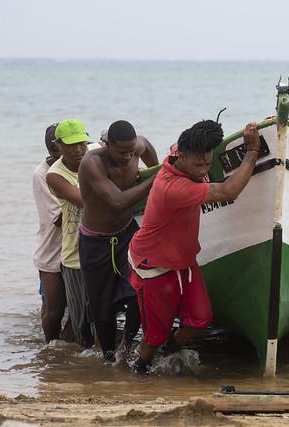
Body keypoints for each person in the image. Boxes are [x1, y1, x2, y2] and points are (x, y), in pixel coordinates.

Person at [128, 120, 261, 374]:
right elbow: (229, 191)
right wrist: (252, 152)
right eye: (198, 165)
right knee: (153, 337)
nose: (203, 170)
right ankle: (140, 370)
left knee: (200, 318)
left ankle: (170, 350)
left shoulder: (183, 150)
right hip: (154, 266)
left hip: (184, 261)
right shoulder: (174, 187)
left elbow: (202, 135)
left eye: (208, 164)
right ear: (181, 156)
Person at [78, 120, 159, 363]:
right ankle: (108, 357)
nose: (127, 157)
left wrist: (155, 170)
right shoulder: (92, 163)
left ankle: (127, 344)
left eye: (130, 151)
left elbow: (150, 155)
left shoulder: (139, 145)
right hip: (95, 241)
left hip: (127, 233)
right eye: (121, 151)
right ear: (107, 144)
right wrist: (152, 182)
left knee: (138, 292)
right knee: (101, 308)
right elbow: (118, 201)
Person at [46, 119, 94, 348]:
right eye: (71, 145)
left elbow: (139, 144)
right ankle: (83, 366)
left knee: (104, 309)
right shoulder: (55, 175)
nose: (78, 150)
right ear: (58, 146)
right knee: (81, 317)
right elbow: (85, 200)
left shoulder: (96, 153)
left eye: (81, 143)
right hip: (75, 254)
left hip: (103, 247)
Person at [33, 123, 73, 343]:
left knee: (79, 310)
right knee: (54, 310)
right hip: (52, 250)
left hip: (75, 248)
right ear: (55, 150)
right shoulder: (43, 174)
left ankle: (65, 347)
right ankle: (50, 349)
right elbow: (58, 218)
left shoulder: (79, 164)